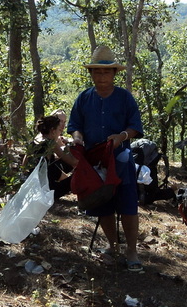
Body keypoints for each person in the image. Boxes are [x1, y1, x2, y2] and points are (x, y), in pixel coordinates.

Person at [68, 45, 144, 272]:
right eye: (97, 72)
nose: (102, 76)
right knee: (102, 204)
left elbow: (135, 127)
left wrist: (121, 137)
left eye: (106, 72)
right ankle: (113, 245)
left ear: (114, 74)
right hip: (94, 161)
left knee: (128, 204)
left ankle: (132, 250)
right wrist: (78, 138)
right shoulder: (84, 98)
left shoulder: (124, 97)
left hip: (119, 158)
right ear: (91, 74)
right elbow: (75, 126)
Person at [26, 112, 77, 198]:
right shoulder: (51, 143)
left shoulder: (34, 142)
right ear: (53, 131)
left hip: (35, 188)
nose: (59, 133)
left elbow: (25, 164)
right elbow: (73, 162)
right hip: (49, 191)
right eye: (59, 130)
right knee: (78, 176)